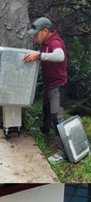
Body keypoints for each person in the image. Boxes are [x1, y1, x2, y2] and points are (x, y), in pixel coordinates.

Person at [23, 17, 68, 163]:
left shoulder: (55, 42)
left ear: (45, 31)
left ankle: (63, 152)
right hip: (49, 85)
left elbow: (59, 56)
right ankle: (44, 130)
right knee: (46, 110)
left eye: (36, 34)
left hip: (58, 86)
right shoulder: (44, 43)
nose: (35, 37)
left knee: (57, 117)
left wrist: (40, 55)